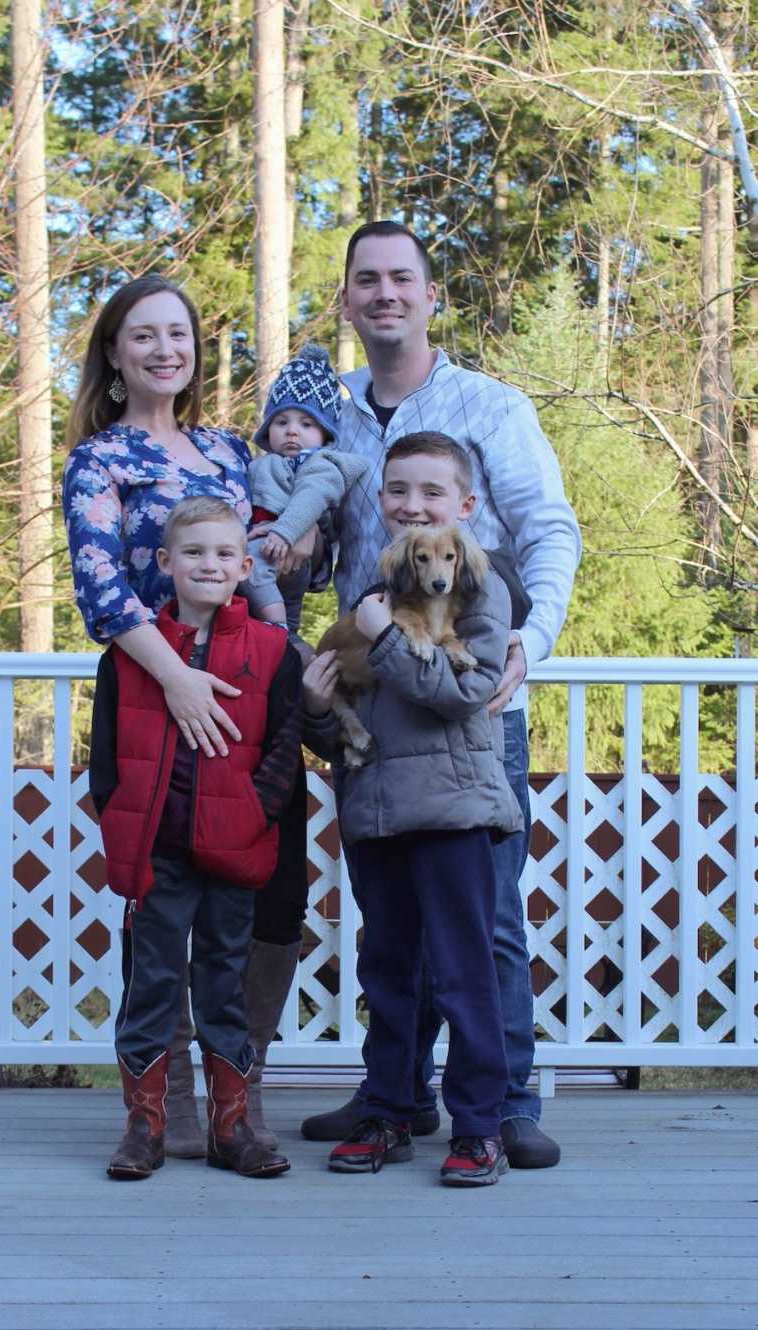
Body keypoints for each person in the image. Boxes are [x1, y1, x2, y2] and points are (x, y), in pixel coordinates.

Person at [300, 221, 582, 1168]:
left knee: (486, 915)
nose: (384, 294)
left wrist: (527, 649)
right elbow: (295, 546)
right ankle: (394, 1099)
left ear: (430, 294)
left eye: (402, 279)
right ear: (346, 300)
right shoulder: (322, 413)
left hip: (472, 700)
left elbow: (549, 529)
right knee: (392, 924)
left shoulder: (489, 406)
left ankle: (504, 1104)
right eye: (366, 281)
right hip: (374, 707)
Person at [62, 274, 312, 1161]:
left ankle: (239, 1107)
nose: (166, 348)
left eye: (180, 333)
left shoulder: (229, 450)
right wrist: (177, 680)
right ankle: (151, 1111)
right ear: (115, 353)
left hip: (248, 685)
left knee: (264, 883)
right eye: (144, 334)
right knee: (159, 891)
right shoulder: (101, 459)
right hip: (144, 685)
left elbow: (268, 557)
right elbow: (99, 584)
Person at [302, 437, 524, 1185]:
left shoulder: (479, 591)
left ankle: (480, 1125)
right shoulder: (376, 591)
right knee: (389, 970)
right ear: (381, 502)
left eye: (431, 491)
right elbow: (343, 712)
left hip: (454, 809)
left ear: (464, 508)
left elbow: (465, 693)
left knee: (465, 972)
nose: (412, 504)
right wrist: (318, 709)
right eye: (397, 489)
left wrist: (387, 638)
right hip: (376, 811)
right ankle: (390, 1110)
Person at [89, 497, 302, 1179]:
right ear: (164, 562)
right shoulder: (131, 652)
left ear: (245, 565)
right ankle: (144, 1126)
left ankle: (231, 1126)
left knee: (223, 983)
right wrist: (125, 817)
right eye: (193, 553)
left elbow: (284, 750)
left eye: (222, 554)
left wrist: (250, 815)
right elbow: (105, 756)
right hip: (158, 851)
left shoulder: (272, 651)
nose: (208, 564)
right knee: (150, 980)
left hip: (234, 850)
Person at [244, 342, 367, 650]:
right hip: (268, 544)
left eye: (306, 423)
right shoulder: (261, 464)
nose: (292, 431)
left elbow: (312, 496)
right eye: (281, 422)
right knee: (285, 606)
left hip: (284, 544)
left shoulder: (319, 464)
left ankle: (278, 631)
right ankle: (290, 642)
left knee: (249, 570)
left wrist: (287, 530)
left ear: (326, 433)